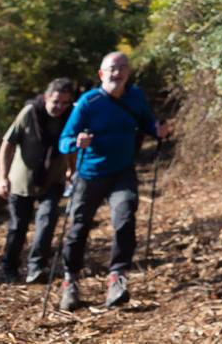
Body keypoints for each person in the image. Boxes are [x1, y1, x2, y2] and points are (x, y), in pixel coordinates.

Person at [55, 51, 172, 310]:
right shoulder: (88, 102)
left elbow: (146, 122)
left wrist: (158, 130)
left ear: (128, 73)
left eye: (122, 68)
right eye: (111, 68)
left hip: (122, 171)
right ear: (101, 74)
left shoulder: (135, 96)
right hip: (89, 174)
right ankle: (70, 282)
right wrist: (77, 142)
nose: (116, 73)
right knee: (78, 229)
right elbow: (64, 140)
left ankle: (117, 278)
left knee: (125, 218)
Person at [0, 77, 75, 284]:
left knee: (47, 221)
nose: (59, 107)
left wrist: (71, 170)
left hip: (52, 180)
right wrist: (2, 177)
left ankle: (36, 266)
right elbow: (7, 144)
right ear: (47, 97)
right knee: (18, 226)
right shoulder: (29, 113)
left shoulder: (70, 117)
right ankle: (9, 268)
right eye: (56, 101)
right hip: (21, 181)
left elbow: (71, 146)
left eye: (65, 103)